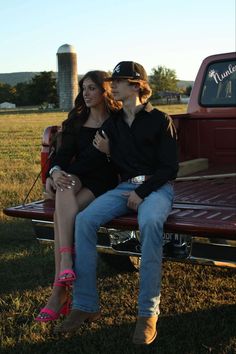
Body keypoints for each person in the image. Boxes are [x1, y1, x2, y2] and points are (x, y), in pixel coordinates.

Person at [56, 61, 178, 345]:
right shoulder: (112, 124)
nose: (112, 87)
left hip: (156, 188)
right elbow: (94, 159)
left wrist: (143, 191)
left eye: (119, 81)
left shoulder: (161, 120)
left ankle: (147, 313)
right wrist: (61, 172)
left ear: (136, 85)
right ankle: (85, 305)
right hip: (124, 186)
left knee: (149, 222)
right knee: (84, 220)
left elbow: (169, 168)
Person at [35, 70, 120, 322]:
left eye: (92, 88)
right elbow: (60, 157)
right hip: (75, 178)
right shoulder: (75, 122)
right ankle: (65, 263)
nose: (86, 92)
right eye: (84, 88)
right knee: (64, 189)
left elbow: (126, 159)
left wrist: (110, 151)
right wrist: (56, 172)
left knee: (62, 218)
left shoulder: (116, 123)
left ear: (105, 91)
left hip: (101, 183)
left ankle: (59, 288)